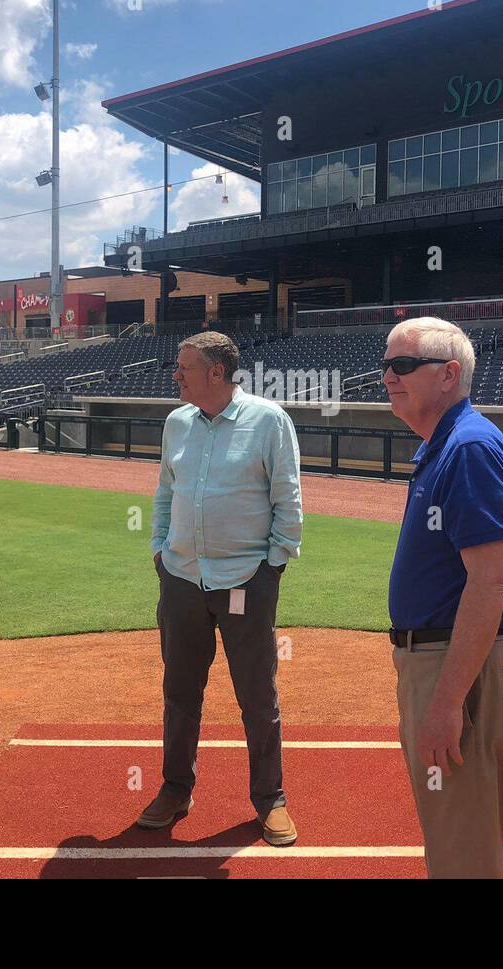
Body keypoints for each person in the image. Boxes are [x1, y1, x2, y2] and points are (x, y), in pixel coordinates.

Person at [383, 316, 503, 878]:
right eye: (386, 366)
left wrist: (447, 703)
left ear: (449, 375)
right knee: (456, 837)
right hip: (448, 661)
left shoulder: (468, 447)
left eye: (403, 365)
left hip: (461, 668)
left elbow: (491, 581)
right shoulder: (444, 445)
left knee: (464, 854)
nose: (389, 377)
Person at [142, 331, 303, 846]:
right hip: (183, 578)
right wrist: (159, 551)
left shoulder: (269, 420)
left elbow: (288, 498)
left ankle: (270, 799)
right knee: (180, 691)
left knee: (257, 695)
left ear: (216, 372)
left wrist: (271, 567)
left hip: (245, 582)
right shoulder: (177, 423)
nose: (176, 375)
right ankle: (175, 789)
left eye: (184, 367)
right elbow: (166, 490)